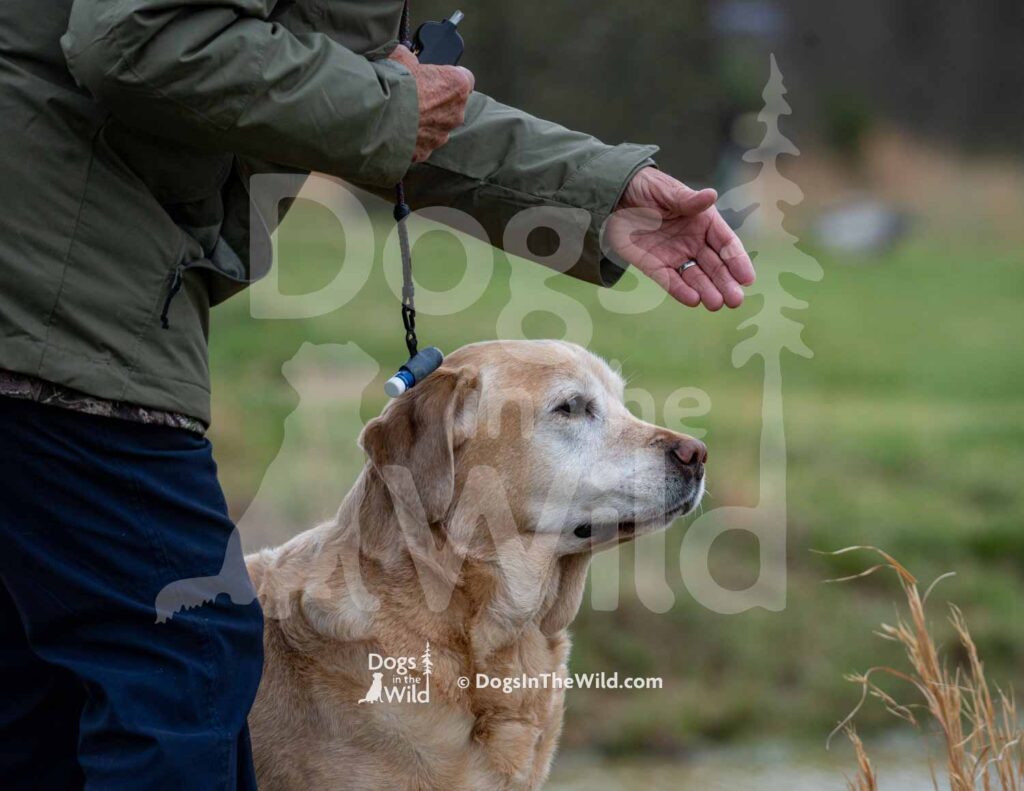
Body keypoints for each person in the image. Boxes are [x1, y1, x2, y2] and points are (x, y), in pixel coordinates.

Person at [0, 0, 755, 788]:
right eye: (571, 412)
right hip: (58, 301)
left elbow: (374, 97)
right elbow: (136, 38)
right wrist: (386, 103)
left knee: (45, 692)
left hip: (58, 286)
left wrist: (601, 192)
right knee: (185, 652)